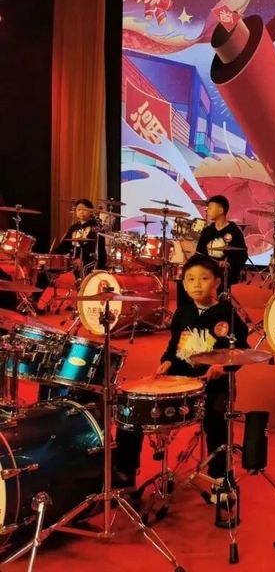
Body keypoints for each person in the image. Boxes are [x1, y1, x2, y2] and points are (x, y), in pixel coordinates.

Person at [114, 254, 249, 497]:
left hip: (212, 385)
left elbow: (242, 350)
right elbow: (173, 347)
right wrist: (166, 361)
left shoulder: (227, 313)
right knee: (132, 408)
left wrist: (225, 368)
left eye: (204, 278)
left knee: (217, 420)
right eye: (191, 279)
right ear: (184, 284)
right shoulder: (182, 313)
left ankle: (221, 478)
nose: (197, 284)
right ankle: (125, 475)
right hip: (178, 381)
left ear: (217, 282)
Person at [177, 195, 247, 307]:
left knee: (220, 277)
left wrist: (229, 264)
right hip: (208, 268)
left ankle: (221, 307)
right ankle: (187, 310)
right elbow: (200, 254)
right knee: (186, 275)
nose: (207, 210)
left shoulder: (233, 231)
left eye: (210, 208)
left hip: (224, 272)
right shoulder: (207, 231)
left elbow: (242, 255)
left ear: (220, 210)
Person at [54, 199, 107, 273]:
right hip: (74, 262)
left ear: (91, 211)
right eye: (79, 210)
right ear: (76, 212)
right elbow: (64, 246)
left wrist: (81, 259)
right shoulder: (73, 228)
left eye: (84, 209)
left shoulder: (96, 227)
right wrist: (53, 255)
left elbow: (97, 249)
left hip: (91, 263)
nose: (81, 212)